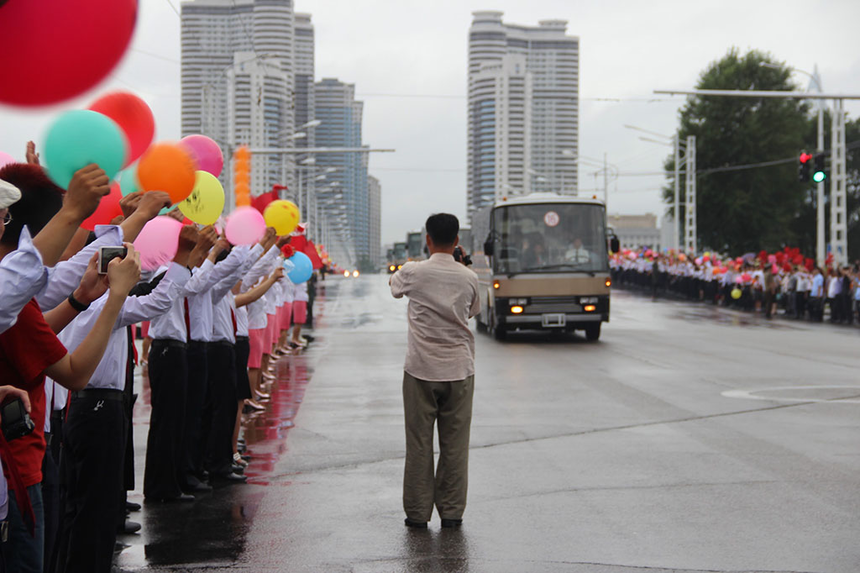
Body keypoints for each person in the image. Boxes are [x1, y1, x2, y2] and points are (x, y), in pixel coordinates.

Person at [390, 213, 480, 529]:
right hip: (459, 370)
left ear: (428, 239)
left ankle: (417, 513)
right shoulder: (468, 277)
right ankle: (452, 512)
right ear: (457, 242)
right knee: (455, 446)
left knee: (419, 444)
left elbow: (394, 287)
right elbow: (472, 311)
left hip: (420, 370)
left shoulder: (414, 272)